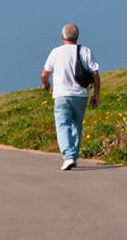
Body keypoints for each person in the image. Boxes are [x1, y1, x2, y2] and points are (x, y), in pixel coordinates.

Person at [40, 23, 101, 170]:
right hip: (81, 95)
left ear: (62, 36)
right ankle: (73, 156)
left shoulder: (56, 52)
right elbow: (95, 74)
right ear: (77, 36)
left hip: (61, 94)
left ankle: (68, 156)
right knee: (76, 125)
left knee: (62, 125)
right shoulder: (86, 51)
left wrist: (46, 84)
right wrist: (96, 95)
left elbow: (44, 74)